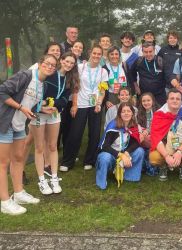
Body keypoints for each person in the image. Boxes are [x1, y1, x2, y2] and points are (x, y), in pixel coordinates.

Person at [0, 54, 57, 215]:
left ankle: (18, 194)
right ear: (40, 63)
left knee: (18, 158)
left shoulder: (42, 85)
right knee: (2, 163)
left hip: (19, 125)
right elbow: (2, 92)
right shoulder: (26, 75)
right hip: (5, 122)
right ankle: (4, 201)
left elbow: (30, 104)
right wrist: (20, 108)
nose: (50, 67)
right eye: (48, 63)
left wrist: (41, 109)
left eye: (53, 65)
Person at [29, 52, 79, 195]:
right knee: (39, 147)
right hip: (39, 113)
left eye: (71, 63)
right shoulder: (50, 73)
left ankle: (54, 178)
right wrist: (44, 104)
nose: (68, 65)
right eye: (66, 61)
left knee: (52, 146)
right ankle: (42, 180)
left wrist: (56, 106)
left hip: (55, 113)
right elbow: (38, 92)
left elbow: (64, 98)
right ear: (61, 60)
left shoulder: (70, 79)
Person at [60, 45, 108, 172]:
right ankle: (68, 161)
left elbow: (102, 91)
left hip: (95, 105)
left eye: (99, 54)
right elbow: (75, 87)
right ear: (89, 53)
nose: (96, 56)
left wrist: (99, 104)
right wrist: (74, 104)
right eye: (94, 53)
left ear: (102, 56)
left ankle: (89, 160)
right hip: (80, 104)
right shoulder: (81, 68)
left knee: (94, 133)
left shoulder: (103, 71)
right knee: (75, 133)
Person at [149, 89, 182, 181]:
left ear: (181, 101)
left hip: (181, 143)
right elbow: (156, 138)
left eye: (177, 99)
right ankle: (163, 167)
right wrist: (166, 156)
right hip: (164, 145)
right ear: (167, 101)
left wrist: (179, 152)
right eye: (172, 98)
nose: (175, 101)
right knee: (154, 158)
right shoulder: (159, 114)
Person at [96, 102, 144, 190]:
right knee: (104, 157)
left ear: (132, 113)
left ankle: (129, 176)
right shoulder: (113, 126)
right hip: (111, 154)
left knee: (140, 151)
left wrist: (127, 152)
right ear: (119, 114)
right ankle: (102, 181)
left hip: (124, 152)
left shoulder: (133, 125)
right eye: (123, 111)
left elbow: (136, 142)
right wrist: (121, 155)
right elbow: (105, 146)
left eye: (128, 111)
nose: (126, 113)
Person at [136, 92, 159, 176]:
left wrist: (149, 131)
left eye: (148, 100)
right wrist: (142, 133)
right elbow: (137, 126)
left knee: (152, 172)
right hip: (143, 141)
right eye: (144, 101)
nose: (146, 103)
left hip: (156, 142)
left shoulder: (159, 112)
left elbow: (158, 126)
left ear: (153, 101)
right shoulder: (138, 113)